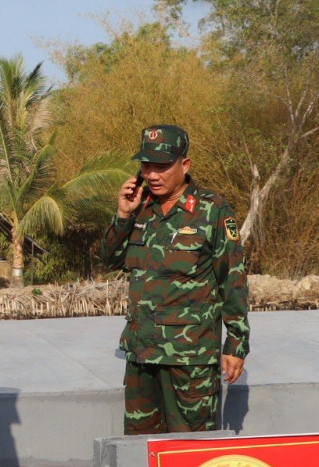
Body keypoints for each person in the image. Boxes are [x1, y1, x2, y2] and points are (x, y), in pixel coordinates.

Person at [100, 124, 248, 434]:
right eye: (146, 165)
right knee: (141, 450)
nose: (152, 174)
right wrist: (123, 215)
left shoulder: (212, 211)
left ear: (185, 165)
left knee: (190, 452)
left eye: (162, 166)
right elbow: (109, 260)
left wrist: (236, 344)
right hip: (142, 355)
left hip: (189, 360)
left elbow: (232, 280)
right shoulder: (140, 208)